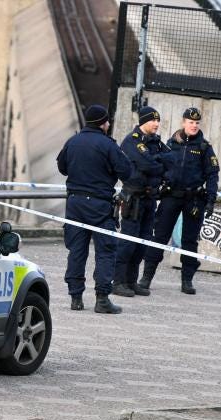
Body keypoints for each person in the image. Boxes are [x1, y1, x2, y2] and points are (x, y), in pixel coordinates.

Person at [57, 104, 133, 314]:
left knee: (76, 250)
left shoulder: (72, 141)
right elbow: (126, 171)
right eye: (107, 121)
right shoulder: (108, 145)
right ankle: (102, 299)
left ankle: (76, 298)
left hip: (75, 204)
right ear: (103, 123)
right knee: (106, 251)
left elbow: (62, 168)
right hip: (99, 205)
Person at [138, 107, 220, 294]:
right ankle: (146, 277)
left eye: (197, 123)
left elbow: (212, 174)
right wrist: (156, 187)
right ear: (183, 122)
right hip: (171, 196)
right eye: (191, 122)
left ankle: (187, 280)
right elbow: (159, 166)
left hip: (194, 199)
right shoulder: (171, 143)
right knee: (159, 237)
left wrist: (211, 200)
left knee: (189, 241)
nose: (194, 126)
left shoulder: (204, 148)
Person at [112, 106, 167, 298]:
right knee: (128, 242)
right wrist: (159, 163)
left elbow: (170, 162)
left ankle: (131, 281)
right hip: (134, 198)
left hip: (149, 199)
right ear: (144, 121)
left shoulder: (155, 142)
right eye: (153, 120)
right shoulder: (132, 141)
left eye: (158, 120)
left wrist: (158, 162)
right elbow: (147, 164)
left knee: (143, 242)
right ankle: (118, 281)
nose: (156, 124)